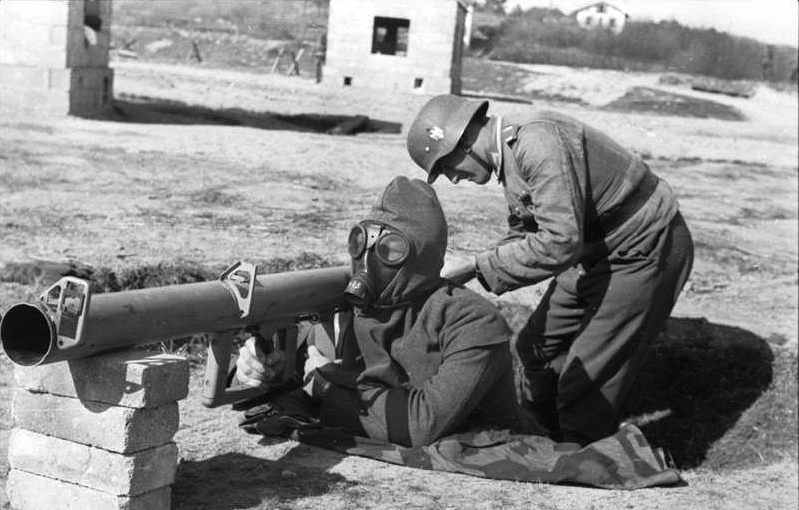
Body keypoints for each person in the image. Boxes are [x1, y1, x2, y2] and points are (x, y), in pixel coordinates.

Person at [405, 94, 694, 446]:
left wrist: (475, 266)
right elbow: (526, 234)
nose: (453, 179)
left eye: (447, 167)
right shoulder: (510, 158)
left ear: (464, 142)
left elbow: (559, 243)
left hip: (644, 246)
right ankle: (541, 439)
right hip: (592, 251)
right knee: (535, 349)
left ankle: (581, 461)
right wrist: (471, 266)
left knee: (586, 376)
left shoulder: (536, 142)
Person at [233, 176, 534, 447]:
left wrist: (325, 389)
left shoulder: (472, 321)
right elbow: (251, 373)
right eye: (361, 243)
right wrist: (255, 370)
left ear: (421, 256)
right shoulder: (343, 307)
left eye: (389, 249)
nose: (368, 262)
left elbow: (421, 426)